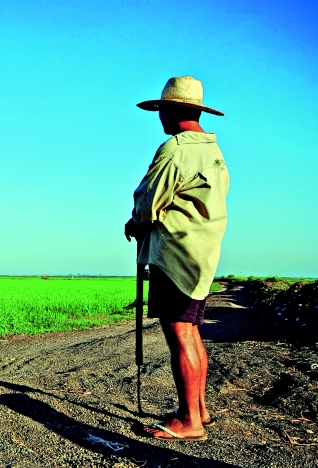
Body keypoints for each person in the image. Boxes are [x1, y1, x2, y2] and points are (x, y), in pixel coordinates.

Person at [124, 76, 230, 441]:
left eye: (162, 110)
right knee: (192, 330)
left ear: (171, 110)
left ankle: (189, 421)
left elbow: (147, 201)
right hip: (202, 254)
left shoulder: (176, 149)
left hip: (176, 254)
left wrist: (134, 222)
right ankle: (198, 409)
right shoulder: (213, 151)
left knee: (179, 332)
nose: (160, 117)